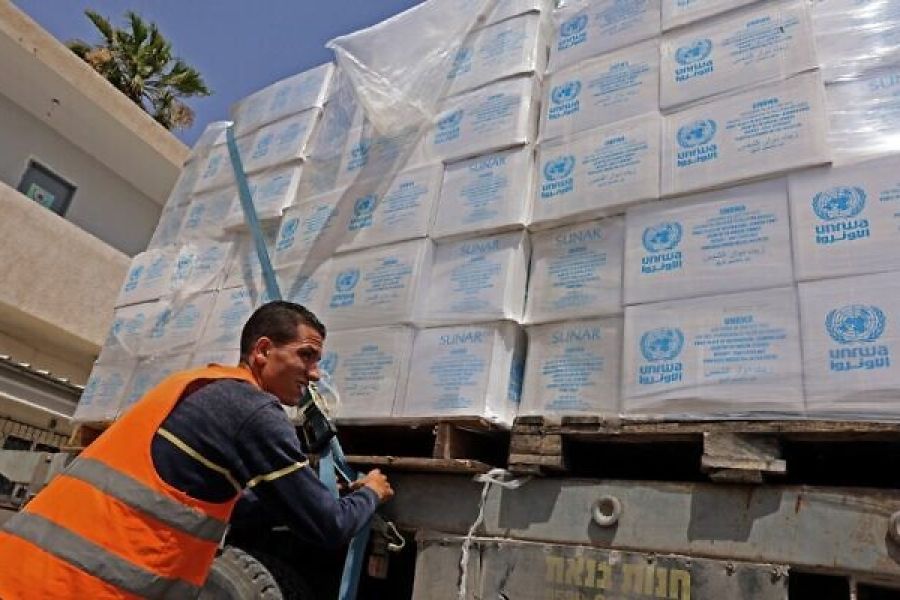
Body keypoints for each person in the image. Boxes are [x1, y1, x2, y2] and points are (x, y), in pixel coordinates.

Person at [0, 301, 393, 599]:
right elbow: (329, 527)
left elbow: (216, 505)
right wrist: (371, 493)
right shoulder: (254, 411)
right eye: (305, 355)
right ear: (262, 351)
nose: (315, 374)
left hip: (22, 572)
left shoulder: (196, 385)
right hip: (77, 588)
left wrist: (313, 493)